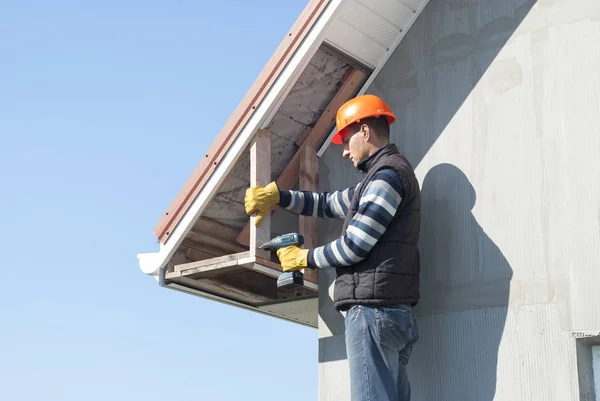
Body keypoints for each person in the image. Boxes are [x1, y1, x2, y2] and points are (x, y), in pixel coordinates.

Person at [244, 94, 421, 401]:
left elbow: (354, 246)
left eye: (346, 139)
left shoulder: (387, 178)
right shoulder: (379, 179)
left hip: (372, 311)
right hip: (389, 312)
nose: (343, 152)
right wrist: (280, 197)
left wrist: (304, 258)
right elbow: (329, 203)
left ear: (365, 131)